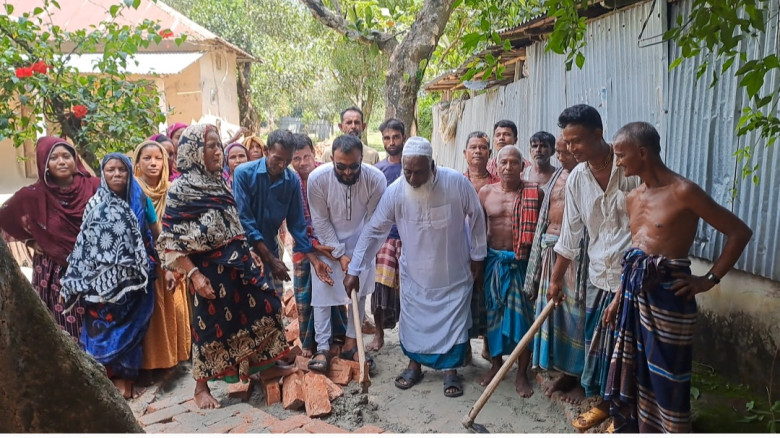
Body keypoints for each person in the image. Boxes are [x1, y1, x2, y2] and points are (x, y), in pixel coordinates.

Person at [601, 122, 753, 432]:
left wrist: (708, 279)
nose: (618, 163)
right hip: (634, 296)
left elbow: (739, 232)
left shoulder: (684, 191)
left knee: (669, 375)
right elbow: (634, 256)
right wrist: (618, 299)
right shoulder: (632, 198)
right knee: (638, 371)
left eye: (620, 155)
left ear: (642, 153)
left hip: (670, 295)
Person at [157, 124, 290, 409]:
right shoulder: (181, 190)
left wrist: (249, 251)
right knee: (209, 327)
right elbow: (170, 241)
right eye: (211, 146)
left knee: (266, 306)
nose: (218, 151)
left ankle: (264, 366)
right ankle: (201, 387)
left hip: (238, 262)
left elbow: (231, 221)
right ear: (194, 151)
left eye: (219, 145)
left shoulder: (219, 181)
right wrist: (193, 275)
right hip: (207, 270)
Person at [345, 137, 487, 398]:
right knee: (413, 324)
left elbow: (476, 218)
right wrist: (354, 269)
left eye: (418, 171)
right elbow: (374, 229)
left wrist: (478, 256)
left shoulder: (456, 182)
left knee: (453, 323)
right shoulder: (397, 190)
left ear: (432, 165)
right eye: (407, 170)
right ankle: (414, 365)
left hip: (453, 274)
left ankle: (450, 371)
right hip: (414, 274)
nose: (411, 177)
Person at [545, 104, 641, 432]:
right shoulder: (577, 180)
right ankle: (604, 405)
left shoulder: (631, 167)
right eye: (567, 143)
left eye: (576, 142)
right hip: (599, 275)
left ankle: (628, 412)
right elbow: (569, 238)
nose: (570, 149)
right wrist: (556, 281)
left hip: (635, 279)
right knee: (600, 347)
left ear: (598, 134)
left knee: (632, 350)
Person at [60, 153, 156, 399]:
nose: (116, 175)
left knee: (131, 330)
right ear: (103, 174)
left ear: (129, 172)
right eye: (110, 170)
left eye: (121, 170)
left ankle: (126, 379)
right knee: (102, 331)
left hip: (135, 279)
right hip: (99, 287)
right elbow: (85, 244)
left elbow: (150, 233)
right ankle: (104, 378)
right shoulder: (94, 204)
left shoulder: (139, 198)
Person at [0, 137, 100, 343]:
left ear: (75, 159)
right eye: (53, 158)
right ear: (43, 163)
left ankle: (98, 372)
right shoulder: (33, 196)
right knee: (62, 329)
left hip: (94, 268)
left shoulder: (95, 187)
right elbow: (6, 217)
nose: (61, 161)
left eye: (66, 156)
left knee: (97, 326)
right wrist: (30, 241)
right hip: (53, 273)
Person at [306, 135, 386, 372]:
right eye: (341, 166)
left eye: (354, 166)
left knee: (358, 294)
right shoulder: (317, 180)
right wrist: (339, 255)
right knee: (322, 293)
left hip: (363, 240)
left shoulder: (376, 179)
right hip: (327, 244)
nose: (348, 172)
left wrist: (357, 262)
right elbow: (320, 222)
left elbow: (374, 224)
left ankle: (352, 343)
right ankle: (322, 347)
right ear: (331, 159)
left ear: (362, 159)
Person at [526, 135, 589, 404]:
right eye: (560, 152)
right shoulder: (557, 177)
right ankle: (564, 374)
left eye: (565, 152)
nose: (561, 156)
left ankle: (578, 379)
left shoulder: (586, 177)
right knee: (555, 317)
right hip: (550, 252)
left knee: (576, 317)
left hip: (575, 260)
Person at [232, 129, 333, 296]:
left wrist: (314, 260)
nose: (281, 166)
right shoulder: (243, 174)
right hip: (243, 248)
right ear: (266, 151)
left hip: (270, 247)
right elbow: (244, 220)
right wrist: (271, 260)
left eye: (286, 161)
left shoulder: (291, 180)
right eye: (277, 160)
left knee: (272, 304)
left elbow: (296, 224)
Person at [478, 146, 543, 397]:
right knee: (492, 317)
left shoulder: (534, 193)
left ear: (522, 165)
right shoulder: (485, 192)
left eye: (513, 163)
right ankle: (495, 365)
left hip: (521, 264)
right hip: (493, 263)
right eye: (503, 162)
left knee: (523, 320)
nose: (508, 168)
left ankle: (521, 373)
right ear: (496, 165)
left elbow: (539, 233)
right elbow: (477, 231)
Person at [133, 140, 191, 372]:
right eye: (146, 158)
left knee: (173, 307)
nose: (153, 163)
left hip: (174, 257)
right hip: (145, 261)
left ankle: (174, 359)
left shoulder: (173, 190)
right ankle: (152, 364)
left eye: (158, 158)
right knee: (152, 313)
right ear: (137, 163)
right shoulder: (132, 189)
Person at [290, 133, 348, 358]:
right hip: (303, 245)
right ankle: (309, 342)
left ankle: (337, 337)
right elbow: (295, 221)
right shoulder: (290, 181)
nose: (302, 163)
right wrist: (311, 247)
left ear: (314, 154)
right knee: (304, 296)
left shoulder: (328, 175)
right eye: (296, 159)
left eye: (306, 156)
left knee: (332, 290)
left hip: (329, 242)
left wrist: (327, 244)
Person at [368, 118, 406, 352]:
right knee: (380, 288)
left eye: (395, 137)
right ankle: (379, 335)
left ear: (403, 138)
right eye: (386, 138)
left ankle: (409, 337)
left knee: (410, 289)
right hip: (384, 239)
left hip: (411, 237)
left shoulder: (415, 166)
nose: (391, 142)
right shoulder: (377, 171)